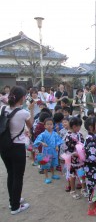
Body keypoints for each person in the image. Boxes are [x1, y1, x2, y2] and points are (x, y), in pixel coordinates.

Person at [0, 86, 34, 215]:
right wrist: (30, 110)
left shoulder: (2, 108)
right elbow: (30, 126)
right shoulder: (23, 113)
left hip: (4, 146)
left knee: (11, 174)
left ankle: (13, 200)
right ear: (23, 98)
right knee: (18, 176)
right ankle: (15, 207)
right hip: (17, 147)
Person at [83, 117, 96, 216]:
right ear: (91, 127)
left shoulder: (93, 137)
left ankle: (95, 203)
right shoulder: (90, 139)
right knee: (91, 186)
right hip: (91, 167)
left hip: (92, 166)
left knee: (95, 185)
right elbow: (92, 156)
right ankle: (91, 209)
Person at [64, 117, 88, 199]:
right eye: (79, 126)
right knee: (72, 176)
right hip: (73, 160)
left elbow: (83, 144)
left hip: (80, 159)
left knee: (82, 174)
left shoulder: (79, 134)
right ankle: (72, 190)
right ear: (74, 126)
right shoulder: (68, 136)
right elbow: (66, 149)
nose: (80, 128)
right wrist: (74, 153)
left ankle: (83, 188)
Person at [33, 118, 63, 184]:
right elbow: (37, 140)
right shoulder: (43, 134)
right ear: (45, 126)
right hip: (46, 152)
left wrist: (57, 146)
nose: (49, 125)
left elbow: (58, 140)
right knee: (45, 164)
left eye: (51, 124)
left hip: (53, 151)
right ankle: (46, 177)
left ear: (53, 125)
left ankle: (53, 174)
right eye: (48, 124)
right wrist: (42, 143)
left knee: (52, 164)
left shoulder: (55, 134)